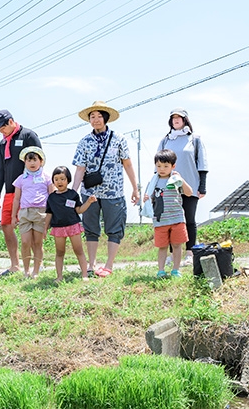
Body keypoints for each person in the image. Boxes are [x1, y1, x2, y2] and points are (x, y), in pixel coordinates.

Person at [72, 101, 140, 277]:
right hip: (90, 193)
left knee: (114, 227)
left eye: (99, 116)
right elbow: (80, 168)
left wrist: (135, 188)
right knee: (91, 227)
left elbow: (127, 163)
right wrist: (73, 192)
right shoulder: (84, 141)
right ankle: (92, 263)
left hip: (114, 191)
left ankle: (109, 265)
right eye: (92, 116)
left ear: (106, 118)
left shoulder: (119, 138)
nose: (95, 120)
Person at [0, 109, 42, 274]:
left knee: (31, 227)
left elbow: (39, 160)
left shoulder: (28, 136)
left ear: (11, 121)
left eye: (2, 127)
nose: (0, 131)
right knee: (6, 225)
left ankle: (36, 264)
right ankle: (15, 264)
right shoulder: (3, 142)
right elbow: (1, 167)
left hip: (29, 190)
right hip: (10, 191)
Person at [157, 109, 208, 264]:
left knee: (189, 219)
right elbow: (157, 165)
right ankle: (173, 254)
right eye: (173, 118)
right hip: (170, 188)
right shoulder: (166, 140)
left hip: (190, 185)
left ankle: (190, 253)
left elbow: (202, 163)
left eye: (179, 117)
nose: (176, 120)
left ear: (185, 120)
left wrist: (202, 186)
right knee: (173, 220)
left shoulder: (195, 139)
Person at [144, 150, 193, 278]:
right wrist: (145, 199)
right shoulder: (153, 182)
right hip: (160, 220)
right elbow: (148, 198)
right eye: (159, 166)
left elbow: (189, 192)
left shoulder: (175, 180)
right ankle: (161, 270)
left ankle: (176, 270)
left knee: (177, 245)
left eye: (166, 166)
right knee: (162, 246)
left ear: (173, 166)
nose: (162, 169)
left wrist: (181, 179)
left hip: (177, 218)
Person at [44, 166, 96, 281]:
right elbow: (49, 214)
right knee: (59, 252)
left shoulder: (73, 194)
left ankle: (84, 275)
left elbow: (79, 210)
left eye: (62, 179)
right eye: (56, 179)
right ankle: (59, 276)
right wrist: (45, 228)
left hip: (73, 226)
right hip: (58, 228)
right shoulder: (51, 197)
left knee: (79, 250)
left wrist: (88, 202)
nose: (59, 182)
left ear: (68, 180)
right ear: (53, 181)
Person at [11, 146, 53, 277]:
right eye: (29, 160)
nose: (32, 163)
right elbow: (16, 198)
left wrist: (51, 217)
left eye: (35, 160)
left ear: (41, 161)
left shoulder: (47, 178)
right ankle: (26, 270)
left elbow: (52, 197)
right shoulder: (21, 179)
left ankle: (36, 271)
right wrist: (13, 216)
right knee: (25, 242)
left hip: (41, 212)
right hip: (25, 212)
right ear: (25, 162)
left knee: (38, 243)